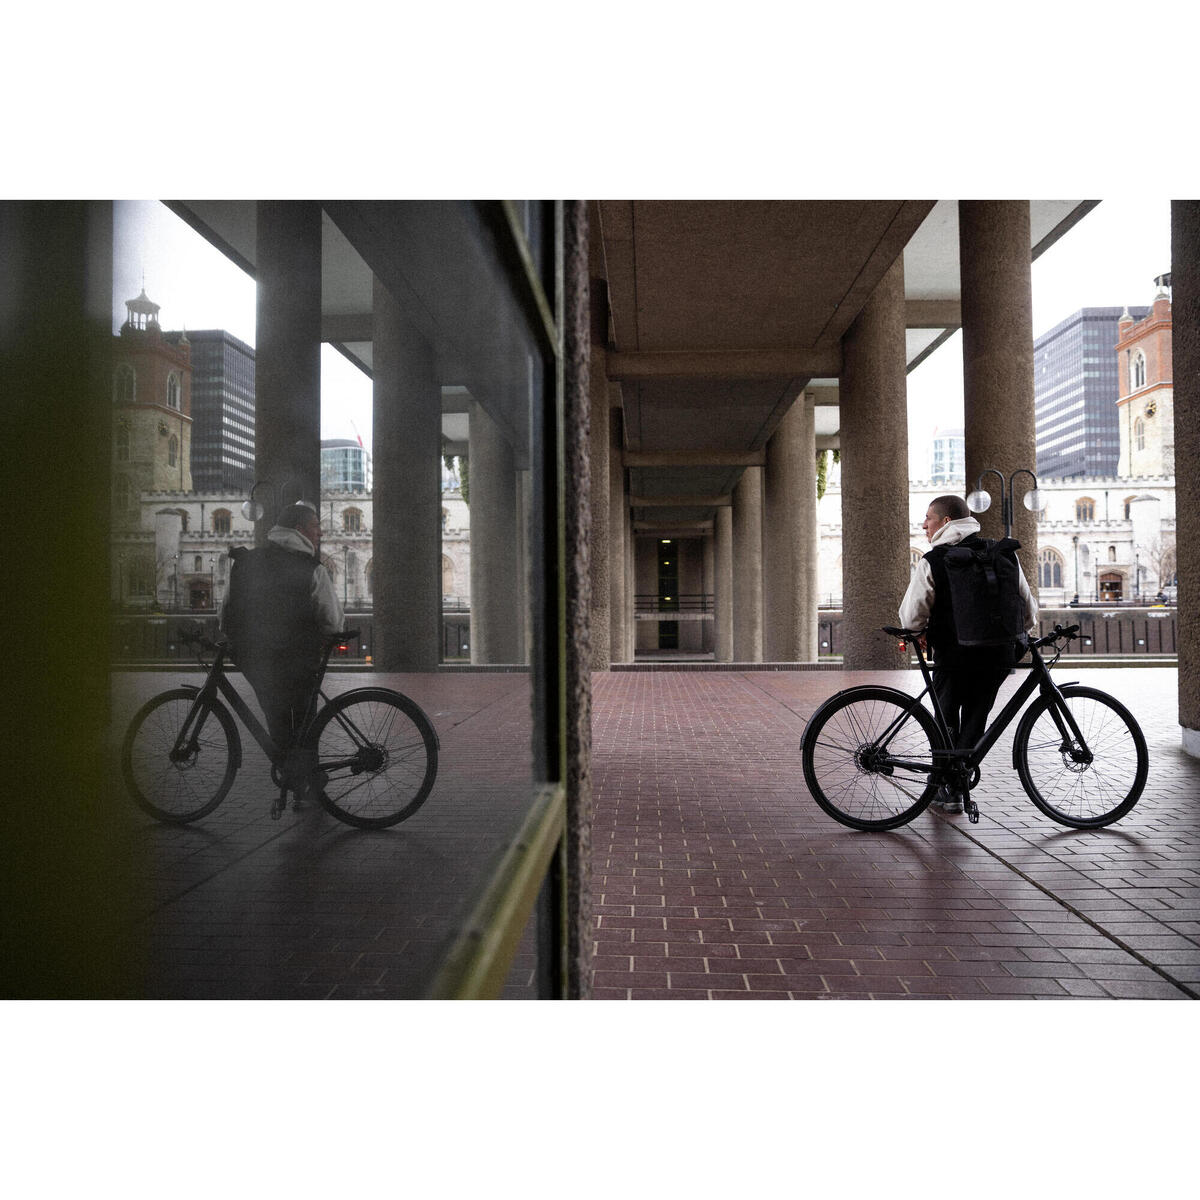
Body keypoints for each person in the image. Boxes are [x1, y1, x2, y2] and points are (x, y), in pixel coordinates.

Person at [899, 494, 1038, 814]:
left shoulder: (934, 560)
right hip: (996, 657)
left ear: (946, 522)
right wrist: (1022, 633)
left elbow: (911, 615)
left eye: (928, 518)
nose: (924, 525)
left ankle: (943, 786)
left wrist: (918, 632)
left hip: (952, 655)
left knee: (946, 716)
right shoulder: (1002, 553)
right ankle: (957, 784)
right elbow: (1027, 606)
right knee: (977, 716)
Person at [221, 501, 344, 793]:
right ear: (299, 529)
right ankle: (307, 777)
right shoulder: (312, 569)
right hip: (300, 660)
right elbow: (332, 621)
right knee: (304, 721)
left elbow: (226, 612)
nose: (319, 532)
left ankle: (292, 773)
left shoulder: (245, 562)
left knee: (275, 717)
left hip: (257, 660)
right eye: (315, 526)